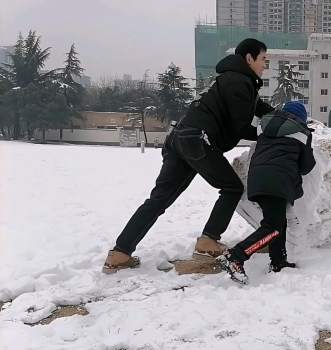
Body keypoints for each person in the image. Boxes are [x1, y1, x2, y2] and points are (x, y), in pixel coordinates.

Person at [102, 38, 274, 273]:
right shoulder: (239, 82)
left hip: (179, 138)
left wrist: (285, 119)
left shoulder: (232, 80)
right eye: (264, 59)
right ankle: (208, 241)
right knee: (232, 187)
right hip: (197, 140)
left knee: (159, 199)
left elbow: (259, 108)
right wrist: (273, 135)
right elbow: (241, 126)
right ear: (249, 58)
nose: (266, 64)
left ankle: (120, 253)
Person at [218, 101, 316, 284]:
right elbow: (307, 166)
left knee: (277, 223)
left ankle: (278, 262)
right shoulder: (302, 133)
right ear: (302, 118)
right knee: (272, 228)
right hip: (279, 181)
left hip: (257, 179)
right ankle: (236, 256)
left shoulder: (263, 126)